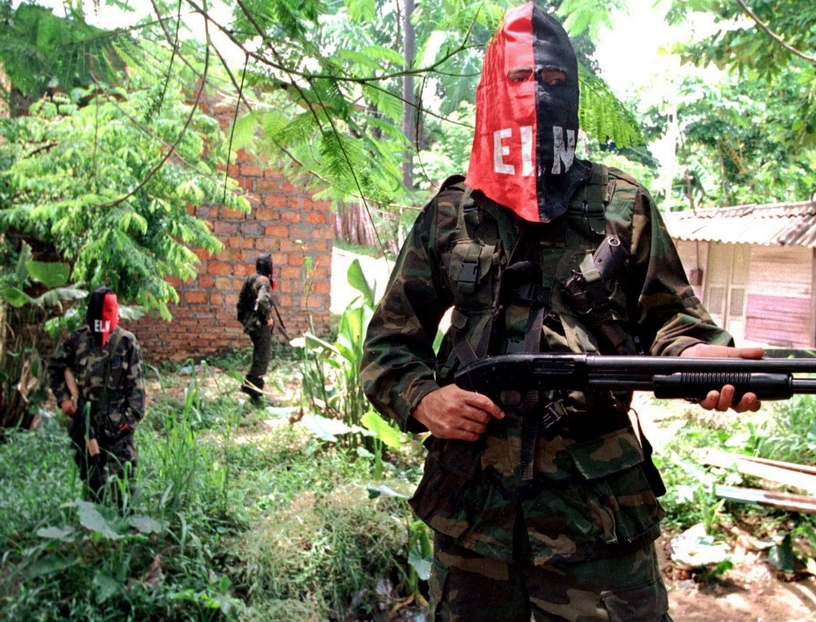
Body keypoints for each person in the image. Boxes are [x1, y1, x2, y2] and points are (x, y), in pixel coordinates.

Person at [361, 4, 763, 621]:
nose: (537, 97)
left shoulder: (623, 207)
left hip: (598, 527)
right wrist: (424, 400)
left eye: (552, 81)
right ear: (492, 91)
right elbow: (389, 346)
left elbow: (673, 323)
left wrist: (699, 359)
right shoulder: (448, 217)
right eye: (520, 80)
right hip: (473, 526)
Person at [48, 286, 145, 505]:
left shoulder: (126, 342)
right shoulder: (77, 340)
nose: (111, 316)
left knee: (124, 484)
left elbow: (137, 390)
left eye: (114, 309)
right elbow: (56, 367)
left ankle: (123, 529)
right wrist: (64, 398)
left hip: (117, 429)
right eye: (106, 310)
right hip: (85, 424)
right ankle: (95, 529)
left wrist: (127, 422)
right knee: (92, 481)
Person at [237, 252, 275, 402]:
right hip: (258, 324)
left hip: (250, 322)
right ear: (268, 266)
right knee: (263, 358)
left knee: (259, 356)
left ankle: (249, 385)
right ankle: (254, 390)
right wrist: (268, 318)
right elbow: (263, 300)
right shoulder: (263, 281)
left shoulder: (252, 278)